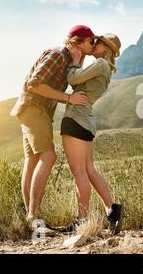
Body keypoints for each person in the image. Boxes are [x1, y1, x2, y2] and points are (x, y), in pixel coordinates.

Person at [10, 25, 95, 223]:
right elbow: (34, 83)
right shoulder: (58, 54)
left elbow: (76, 80)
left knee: (32, 161)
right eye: (91, 41)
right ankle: (33, 216)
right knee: (48, 156)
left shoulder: (68, 59)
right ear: (78, 42)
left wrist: (78, 61)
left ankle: (30, 219)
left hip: (35, 111)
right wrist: (68, 98)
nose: (93, 45)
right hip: (34, 109)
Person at [60, 33, 123, 235]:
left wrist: (76, 60)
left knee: (79, 172)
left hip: (76, 119)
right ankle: (112, 210)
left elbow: (72, 78)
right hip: (86, 121)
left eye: (98, 42)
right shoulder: (106, 68)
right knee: (88, 169)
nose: (93, 44)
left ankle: (82, 220)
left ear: (106, 48)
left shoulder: (101, 65)